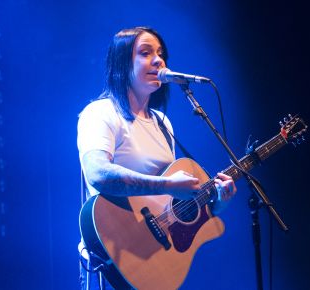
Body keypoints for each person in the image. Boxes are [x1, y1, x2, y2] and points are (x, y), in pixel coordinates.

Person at [77, 26, 237, 290]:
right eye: (145, 53)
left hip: (154, 262)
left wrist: (215, 205)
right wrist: (167, 185)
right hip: (113, 255)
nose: (158, 60)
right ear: (121, 63)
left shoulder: (163, 123)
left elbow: (169, 205)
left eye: (160, 54)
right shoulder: (101, 113)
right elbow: (97, 174)